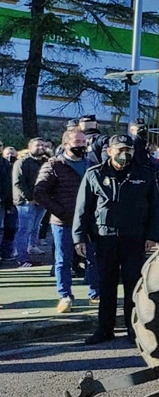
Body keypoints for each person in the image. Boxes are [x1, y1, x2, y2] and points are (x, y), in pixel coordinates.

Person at [75, 135, 159, 345]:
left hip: (134, 238)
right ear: (110, 151)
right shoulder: (95, 174)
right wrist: (79, 238)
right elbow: (83, 208)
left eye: (129, 149)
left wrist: (152, 236)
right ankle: (105, 330)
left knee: (133, 286)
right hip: (105, 238)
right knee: (106, 286)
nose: (125, 154)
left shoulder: (145, 174)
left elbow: (154, 208)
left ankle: (134, 331)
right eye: (121, 149)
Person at [33, 130, 89, 313]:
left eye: (83, 141)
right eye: (77, 141)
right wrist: (61, 211)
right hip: (63, 222)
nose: (81, 145)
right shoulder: (54, 165)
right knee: (63, 260)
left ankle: (95, 293)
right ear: (65, 144)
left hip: (88, 221)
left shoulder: (91, 164)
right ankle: (65, 295)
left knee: (94, 257)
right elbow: (40, 192)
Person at [13, 138, 50, 267]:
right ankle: (22, 258)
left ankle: (31, 250)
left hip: (42, 202)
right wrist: (30, 198)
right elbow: (18, 183)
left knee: (35, 228)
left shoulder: (46, 162)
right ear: (30, 147)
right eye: (37, 145)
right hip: (26, 202)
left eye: (43, 145)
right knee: (25, 230)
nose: (41, 147)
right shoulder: (22, 162)